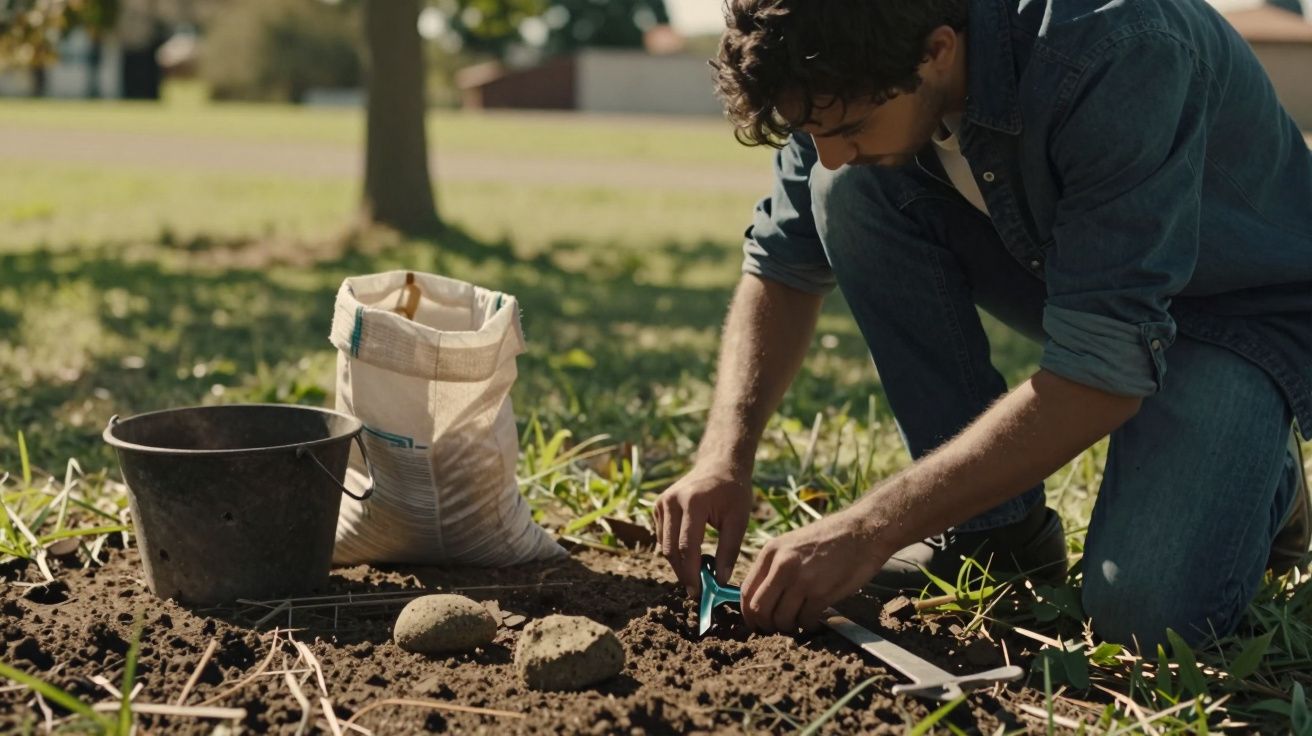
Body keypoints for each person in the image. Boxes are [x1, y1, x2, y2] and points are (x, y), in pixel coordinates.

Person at [654, 0, 1312, 649]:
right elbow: (782, 265)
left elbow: (1099, 377)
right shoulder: (846, 52)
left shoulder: (1119, 46)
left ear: (938, 49)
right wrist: (723, 458)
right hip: (1084, 275)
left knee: (1145, 619)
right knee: (847, 192)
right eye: (810, 131)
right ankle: (994, 534)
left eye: (848, 125)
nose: (825, 152)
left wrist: (867, 528)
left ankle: (1266, 478)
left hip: (1234, 314)